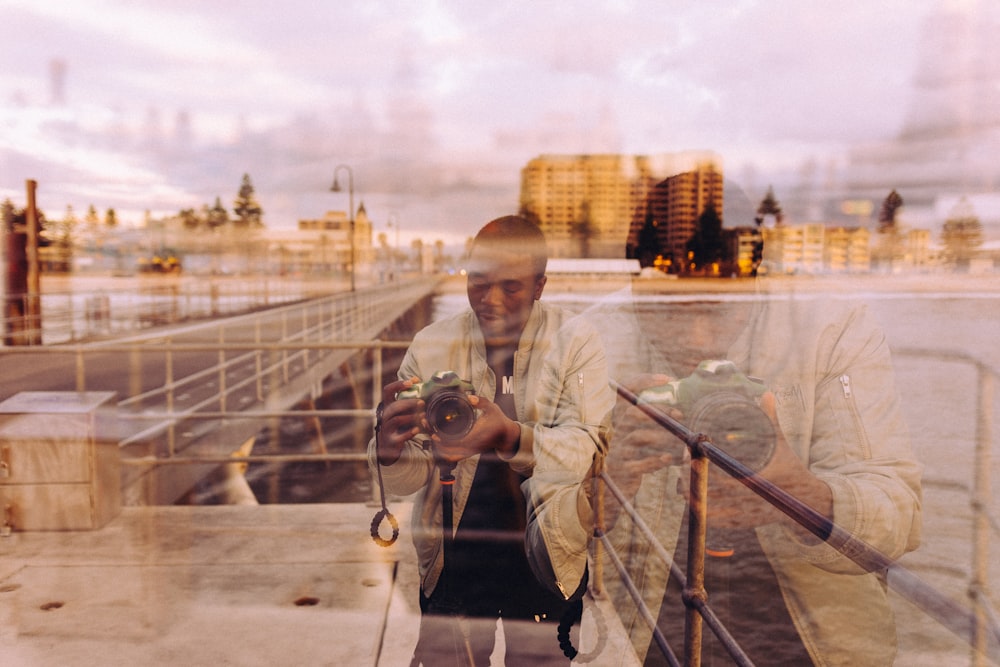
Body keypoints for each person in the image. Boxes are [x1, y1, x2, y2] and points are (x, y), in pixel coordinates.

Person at [524, 210, 923, 665]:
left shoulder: (833, 329)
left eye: (716, 306)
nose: (698, 339)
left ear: (754, 278)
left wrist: (798, 497)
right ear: (637, 289)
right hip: (648, 642)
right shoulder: (585, 344)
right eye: (671, 312)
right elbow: (542, 558)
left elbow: (898, 519)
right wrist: (603, 493)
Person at [368, 215, 614, 665]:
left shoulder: (576, 342)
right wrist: (388, 447)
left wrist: (509, 434)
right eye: (477, 281)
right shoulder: (430, 345)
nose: (490, 300)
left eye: (511, 287)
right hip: (452, 560)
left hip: (547, 556)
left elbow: (589, 450)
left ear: (540, 285)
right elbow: (405, 481)